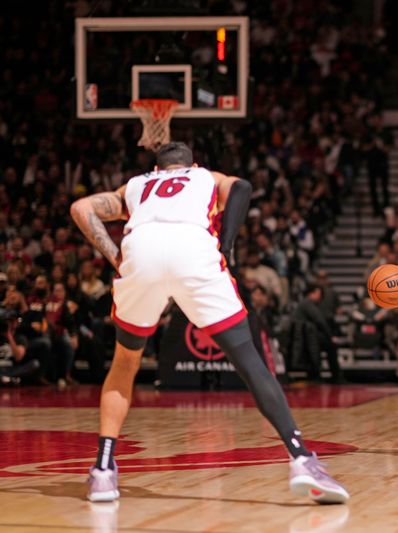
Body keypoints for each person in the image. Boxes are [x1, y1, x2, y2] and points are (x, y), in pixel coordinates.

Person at [70, 142, 348, 504]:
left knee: (125, 362)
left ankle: (104, 471)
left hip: (141, 250)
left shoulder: (136, 185)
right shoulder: (205, 176)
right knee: (249, 360)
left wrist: (114, 255)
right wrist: (227, 246)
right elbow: (243, 188)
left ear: (157, 169)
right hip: (193, 248)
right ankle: (301, 459)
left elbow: (81, 207)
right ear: (192, 164)